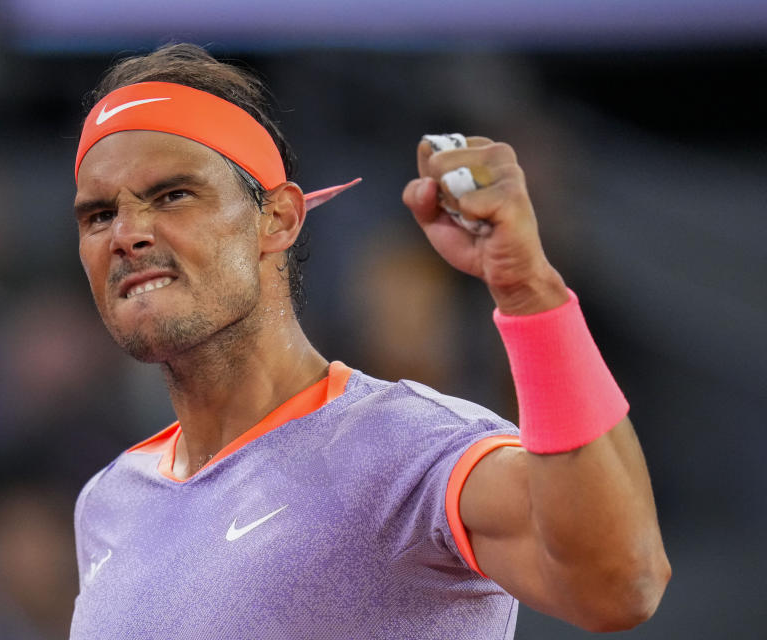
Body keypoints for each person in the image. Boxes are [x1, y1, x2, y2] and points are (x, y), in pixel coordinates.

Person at [67, 44, 670, 639]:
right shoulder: (108, 503)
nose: (127, 234)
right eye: (98, 215)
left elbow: (618, 586)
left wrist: (530, 293)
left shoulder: (411, 449)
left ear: (277, 219)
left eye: (172, 195)